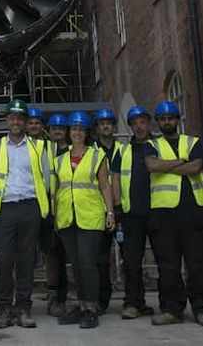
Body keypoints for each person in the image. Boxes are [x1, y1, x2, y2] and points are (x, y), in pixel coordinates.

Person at [143, 100, 203, 327]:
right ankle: (172, 309)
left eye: (170, 118)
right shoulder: (151, 144)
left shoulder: (193, 142)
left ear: (177, 119)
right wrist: (182, 162)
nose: (167, 122)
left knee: (197, 262)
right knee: (168, 265)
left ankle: (201, 308)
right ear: (158, 122)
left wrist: (168, 166)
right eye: (163, 119)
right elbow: (152, 166)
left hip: (193, 211)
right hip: (163, 214)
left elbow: (196, 167)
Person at [0, 99, 50, 329]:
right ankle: (5, 309)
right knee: (4, 261)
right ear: (7, 121)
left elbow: (46, 179)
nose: (15, 122)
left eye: (20, 118)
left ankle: (23, 308)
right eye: (12, 118)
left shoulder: (38, 147)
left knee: (26, 260)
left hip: (30, 207)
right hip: (4, 209)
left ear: (25, 122)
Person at [53, 110, 116, 329]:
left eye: (81, 129)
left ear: (87, 132)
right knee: (77, 264)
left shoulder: (97, 156)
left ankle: (91, 308)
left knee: (88, 264)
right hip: (67, 218)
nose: (77, 132)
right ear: (69, 132)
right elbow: (57, 190)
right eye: (74, 129)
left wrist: (110, 213)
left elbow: (105, 186)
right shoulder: (60, 159)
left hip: (90, 217)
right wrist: (56, 218)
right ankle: (81, 305)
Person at [112, 106, 156, 319]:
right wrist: (118, 207)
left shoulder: (160, 147)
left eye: (142, 122)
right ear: (130, 126)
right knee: (131, 263)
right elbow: (115, 179)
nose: (139, 127)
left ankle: (169, 304)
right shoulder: (123, 151)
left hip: (158, 212)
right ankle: (133, 303)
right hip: (131, 215)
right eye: (135, 123)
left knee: (166, 260)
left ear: (148, 124)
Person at [93, 107, 124, 314]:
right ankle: (102, 300)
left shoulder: (123, 150)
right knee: (101, 258)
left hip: (123, 208)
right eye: (102, 123)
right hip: (101, 209)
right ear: (97, 127)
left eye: (109, 123)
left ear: (113, 126)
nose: (105, 126)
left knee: (131, 257)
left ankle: (134, 301)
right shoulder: (91, 151)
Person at [43, 113, 70, 317]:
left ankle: (64, 298)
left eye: (61, 128)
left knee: (69, 257)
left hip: (70, 210)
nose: (57, 131)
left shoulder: (74, 151)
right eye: (54, 128)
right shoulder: (44, 151)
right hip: (48, 211)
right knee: (52, 257)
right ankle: (54, 299)